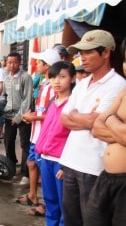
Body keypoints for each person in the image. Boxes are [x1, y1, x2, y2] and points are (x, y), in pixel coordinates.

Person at [59, 29, 126, 226]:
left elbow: (96, 124)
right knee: (71, 218)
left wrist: (81, 117)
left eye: (88, 52)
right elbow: (65, 118)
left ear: (105, 53)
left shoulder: (117, 85)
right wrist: (87, 119)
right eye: (80, 53)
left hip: (94, 167)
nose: (82, 58)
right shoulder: (82, 83)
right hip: (71, 160)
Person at [85, 38, 126, 226]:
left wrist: (109, 120)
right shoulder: (124, 91)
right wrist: (113, 122)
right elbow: (97, 127)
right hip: (107, 178)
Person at [16, 48, 59, 213]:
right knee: (31, 163)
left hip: (44, 134)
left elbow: (53, 114)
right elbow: (42, 110)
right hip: (36, 133)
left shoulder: (53, 88)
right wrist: (33, 115)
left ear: (47, 66)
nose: (36, 64)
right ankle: (33, 195)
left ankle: (48, 204)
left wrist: (34, 117)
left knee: (45, 169)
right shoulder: (43, 84)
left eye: (40, 62)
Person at [34, 61, 76, 224]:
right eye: (53, 77)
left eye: (62, 77)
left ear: (72, 79)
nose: (57, 81)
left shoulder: (74, 104)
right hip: (46, 158)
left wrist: (67, 164)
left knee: (64, 205)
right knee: (50, 202)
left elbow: (75, 136)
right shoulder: (53, 101)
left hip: (61, 161)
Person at [2, 52, 34, 182]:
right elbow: (5, 97)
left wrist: (18, 117)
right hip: (8, 115)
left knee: (24, 143)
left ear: (20, 62)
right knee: (8, 141)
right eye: (9, 62)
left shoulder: (26, 77)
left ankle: (26, 173)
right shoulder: (6, 79)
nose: (12, 65)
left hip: (24, 116)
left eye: (14, 62)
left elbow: (27, 100)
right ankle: (11, 166)